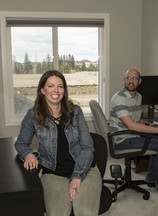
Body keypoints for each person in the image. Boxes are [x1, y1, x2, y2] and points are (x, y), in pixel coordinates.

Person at [15, 70, 101, 216]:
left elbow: (87, 147)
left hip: (84, 169)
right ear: (42, 90)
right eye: (51, 86)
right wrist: (29, 154)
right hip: (53, 173)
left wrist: (77, 176)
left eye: (60, 86)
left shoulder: (76, 112)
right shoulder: (32, 115)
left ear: (64, 90)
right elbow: (21, 143)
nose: (56, 90)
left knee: (85, 212)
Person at [109, 68, 158, 192]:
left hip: (131, 134)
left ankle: (151, 178)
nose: (131, 81)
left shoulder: (138, 96)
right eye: (128, 78)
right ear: (124, 80)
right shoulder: (118, 98)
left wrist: (148, 126)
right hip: (121, 139)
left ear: (140, 81)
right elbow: (131, 125)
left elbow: (134, 120)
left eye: (134, 78)